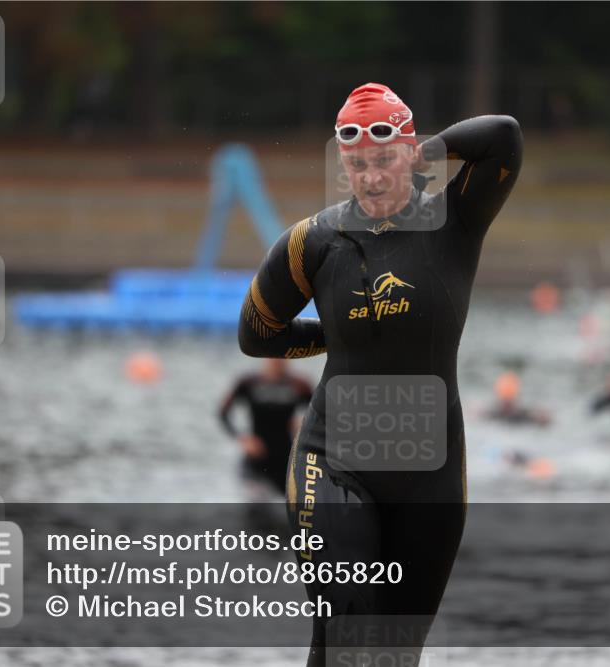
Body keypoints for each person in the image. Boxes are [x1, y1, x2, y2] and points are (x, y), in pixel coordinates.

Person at [238, 82, 522, 665]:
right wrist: (330, 338)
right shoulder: (313, 242)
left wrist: (434, 149)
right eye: (357, 164)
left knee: (393, 653)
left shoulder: (456, 219)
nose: (370, 177)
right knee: (348, 631)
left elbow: (504, 138)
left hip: (431, 473)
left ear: (410, 152)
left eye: (385, 160)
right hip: (333, 462)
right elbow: (256, 334)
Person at [218, 358, 313, 495]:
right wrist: (243, 439)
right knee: (255, 504)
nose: (277, 362)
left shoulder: (299, 385)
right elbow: (223, 414)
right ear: (265, 358)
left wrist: (304, 423)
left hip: (285, 457)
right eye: (272, 357)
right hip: (257, 457)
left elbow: (322, 415)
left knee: (286, 507)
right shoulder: (249, 383)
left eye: (281, 358)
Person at [485, 371, 552, 426]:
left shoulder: (524, 415)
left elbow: (544, 420)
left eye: (509, 402)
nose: (507, 403)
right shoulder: (492, 415)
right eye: (505, 401)